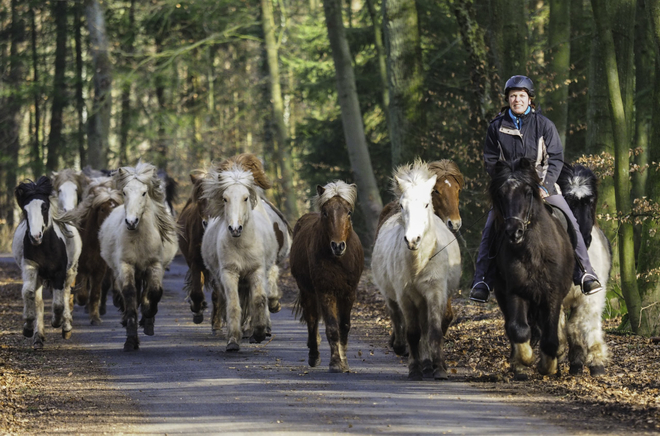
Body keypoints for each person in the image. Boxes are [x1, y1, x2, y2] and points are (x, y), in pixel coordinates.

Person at [469, 75, 603, 303]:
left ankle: (585, 272)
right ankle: (482, 279)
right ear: (507, 99)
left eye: (521, 96)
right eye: (513, 96)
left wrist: (545, 185)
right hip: (511, 191)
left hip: (542, 186)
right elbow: (491, 161)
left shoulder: (545, 125)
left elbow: (556, 158)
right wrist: (505, 185)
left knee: (569, 219)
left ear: (529, 99)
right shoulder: (496, 127)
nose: (517, 100)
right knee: (491, 225)